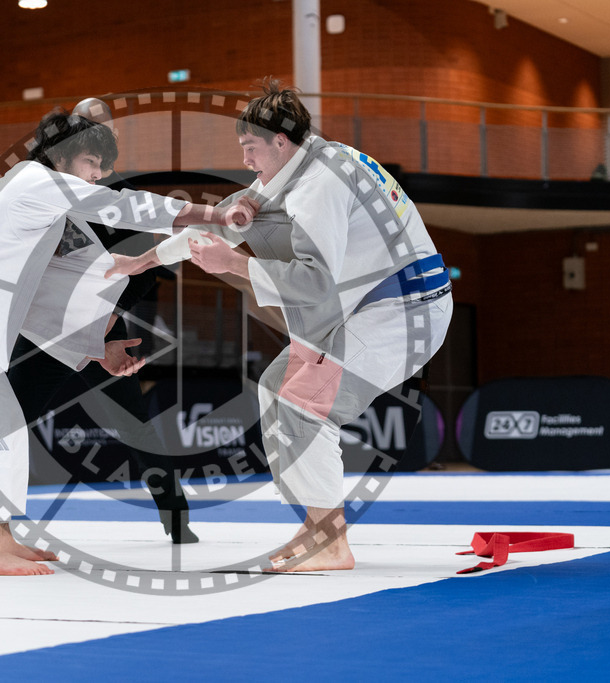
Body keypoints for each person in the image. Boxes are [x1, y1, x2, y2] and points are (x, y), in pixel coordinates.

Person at [0, 108, 256, 576]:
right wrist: (216, 213)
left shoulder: (53, 215)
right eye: (92, 162)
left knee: (4, 421)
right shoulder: (31, 181)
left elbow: (82, 281)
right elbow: (125, 207)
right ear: (63, 156)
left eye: (103, 165)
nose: (100, 175)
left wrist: (100, 346)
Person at [108, 79, 453, 572]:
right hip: (369, 307)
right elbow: (224, 223)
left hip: (406, 312)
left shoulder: (320, 186)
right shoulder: (312, 158)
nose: (246, 161)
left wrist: (233, 264)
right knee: (275, 388)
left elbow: (315, 284)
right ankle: (317, 526)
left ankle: (331, 542)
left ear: (280, 142)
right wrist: (144, 261)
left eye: (251, 149)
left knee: (303, 403)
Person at [0, 99, 197, 551]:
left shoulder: (113, 193)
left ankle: (176, 517)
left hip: (103, 323)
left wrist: (107, 324)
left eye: (101, 128)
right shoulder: (40, 187)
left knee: (133, 424)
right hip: (46, 329)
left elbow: (146, 269)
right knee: (10, 418)